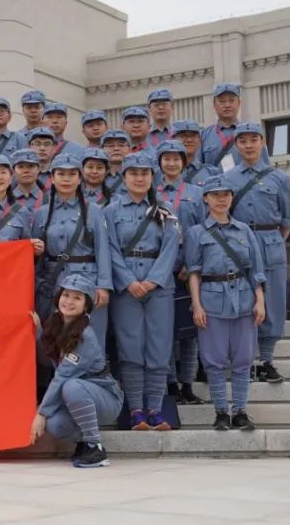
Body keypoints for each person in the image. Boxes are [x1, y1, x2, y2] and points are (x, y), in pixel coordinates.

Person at [185, 176, 268, 431]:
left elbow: (255, 270)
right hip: (211, 299)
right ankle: (221, 411)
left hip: (244, 298)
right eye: (215, 195)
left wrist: (260, 301)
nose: (221, 199)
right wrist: (197, 305)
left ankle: (240, 411)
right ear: (205, 199)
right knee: (214, 360)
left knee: (243, 359)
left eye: (226, 194)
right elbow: (194, 272)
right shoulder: (196, 233)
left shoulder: (244, 231)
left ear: (232, 198)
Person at [105, 153, 179, 430]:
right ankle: (136, 410)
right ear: (123, 177)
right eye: (133, 173)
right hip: (126, 288)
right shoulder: (111, 211)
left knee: (159, 347)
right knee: (130, 347)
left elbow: (171, 247)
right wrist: (128, 280)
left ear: (152, 177)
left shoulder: (165, 209)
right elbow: (109, 249)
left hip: (158, 287)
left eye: (144, 173)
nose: (139, 178)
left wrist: (153, 280)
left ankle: (156, 410)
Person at [30, 274, 124, 468]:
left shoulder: (85, 336)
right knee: (54, 424)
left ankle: (95, 447)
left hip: (106, 398)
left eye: (77, 298)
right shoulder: (57, 326)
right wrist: (38, 332)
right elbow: (47, 362)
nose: (69, 301)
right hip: (79, 397)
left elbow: (62, 376)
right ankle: (83, 444)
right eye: (66, 295)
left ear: (86, 306)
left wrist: (41, 413)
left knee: (70, 386)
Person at [225, 122, 290, 384]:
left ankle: (266, 360)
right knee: (243, 300)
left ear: (262, 142)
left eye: (254, 140)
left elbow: (287, 221)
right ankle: (246, 360)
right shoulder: (228, 179)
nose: (249, 145)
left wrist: (270, 240)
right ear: (236, 145)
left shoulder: (280, 178)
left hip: (270, 242)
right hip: (240, 243)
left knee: (273, 301)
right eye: (243, 141)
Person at [32, 154, 111, 346]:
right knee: (55, 337)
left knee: (89, 337)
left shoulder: (93, 210)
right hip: (54, 282)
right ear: (52, 178)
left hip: (87, 280)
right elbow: (35, 257)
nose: (66, 179)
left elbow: (103, 250)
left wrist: (103, 286)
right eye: (61, 174)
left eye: (72, 174)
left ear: (80, 178)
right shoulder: (42, 213)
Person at [154, 139, 206, 406]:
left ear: (184, 163)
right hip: (161, 266)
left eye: (176, 159)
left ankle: (187, 384)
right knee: (166, 330)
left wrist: (192, 264)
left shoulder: (196, 194)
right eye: (167, 158)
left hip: (189, 266)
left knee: (189, 331)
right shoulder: (152, 192)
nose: (171, 163)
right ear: (160, 162)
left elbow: (202, 231)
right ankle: (170, 383)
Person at [201, 83, 272, 170]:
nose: (227, 105)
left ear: (239, 103)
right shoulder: (204, 136)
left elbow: (266, 169)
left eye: (231, 100)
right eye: (222, 101)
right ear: (214, 105)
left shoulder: (253, 133)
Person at [173, 119, 221, 186]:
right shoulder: (162, 173)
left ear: (199, 140)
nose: (189, 140)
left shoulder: (212, 173)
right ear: (173, 139)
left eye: (193, 135)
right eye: (183, 135)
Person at [100, 129, 131, 194]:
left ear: (130, 149)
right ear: (101, 150)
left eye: (121, 145)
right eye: (110, 146)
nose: (116, 149)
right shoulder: (94, 175)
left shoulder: (137, 175)